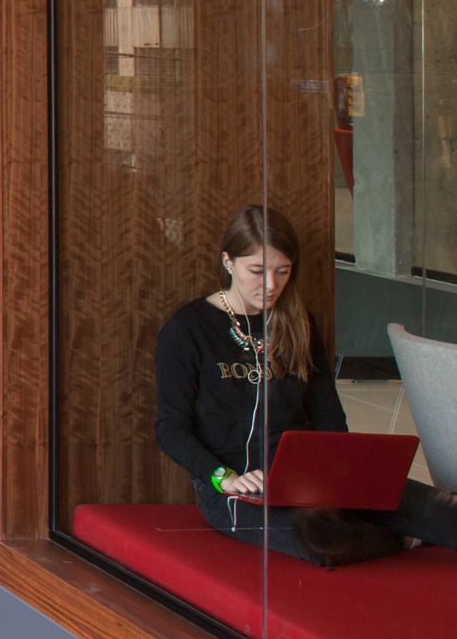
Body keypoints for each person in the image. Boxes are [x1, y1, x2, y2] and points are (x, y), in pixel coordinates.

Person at [155, 203, 457, 565]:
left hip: (308, 478)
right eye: (257, 270)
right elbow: (170, 429)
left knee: (439, 507)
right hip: (232, 488)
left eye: (283, 272)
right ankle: (404, 537)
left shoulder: (298, 324)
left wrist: (341, 475)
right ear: (228, 262)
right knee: (317, 533)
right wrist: (224, 478)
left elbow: (328, 413)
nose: (270, 285)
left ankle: (403, 528)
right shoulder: (188, 329)